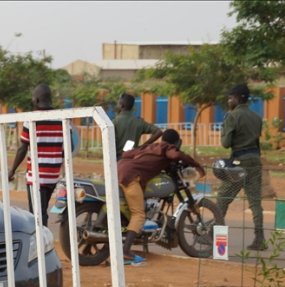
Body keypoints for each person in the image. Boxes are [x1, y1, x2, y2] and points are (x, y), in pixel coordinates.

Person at [118, 129, 205, 265]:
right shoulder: (167, 148)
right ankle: (125, 252)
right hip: (131, 177)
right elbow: (175, 156)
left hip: (120, 172)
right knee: (138, 214)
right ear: (176, 143)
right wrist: (197, 165)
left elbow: (126, 153)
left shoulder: (150, 147)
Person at [216, 83, 266, 251]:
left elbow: (225, 143)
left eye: (230, 97)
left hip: (239, 163)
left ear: (237, 98)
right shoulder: (256, 117)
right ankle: (260, 239)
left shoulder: (232, 116)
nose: (229, 100)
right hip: (255, 161)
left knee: (223, 198)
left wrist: (224, 129)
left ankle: (215, 237)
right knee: (255, 202)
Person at [7, 84, 65, 225]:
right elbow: (69, 145)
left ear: (37, 100)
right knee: (42, 209)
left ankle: (41, 243)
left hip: (36, 175)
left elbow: (23, 148)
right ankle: (42, 240)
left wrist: (12, 169)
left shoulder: (31, 119)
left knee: (37, 214)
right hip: (53, 175)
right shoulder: (62, 118)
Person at [112, 93, 162, 160]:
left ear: (121, 105)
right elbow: (158, 131)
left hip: (117, 160)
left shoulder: (114, 122)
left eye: (118, 103)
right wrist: (143, 146)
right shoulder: (139, 122)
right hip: (132, 159)